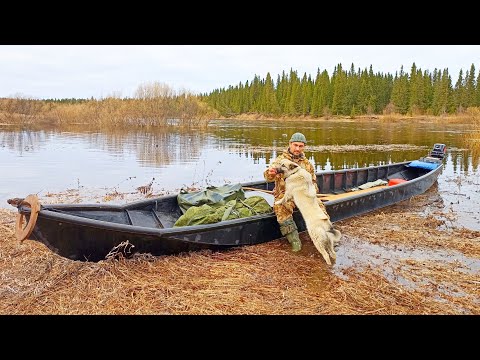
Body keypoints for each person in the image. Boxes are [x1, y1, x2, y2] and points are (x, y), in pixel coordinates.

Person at [263, 132, 330, 252]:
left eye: (300, 146)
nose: (297, 148)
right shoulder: (280, 161)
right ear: (290, 144)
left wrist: (312, 192)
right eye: (295, 145)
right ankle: (295, 241)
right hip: (286, 194)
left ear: (304, 147)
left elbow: (313, 182)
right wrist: (271, 173)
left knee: (320, 208)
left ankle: (326, 238)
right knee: (281, 207)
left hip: (304, 195)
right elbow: (268, 176)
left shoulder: (307, 164)